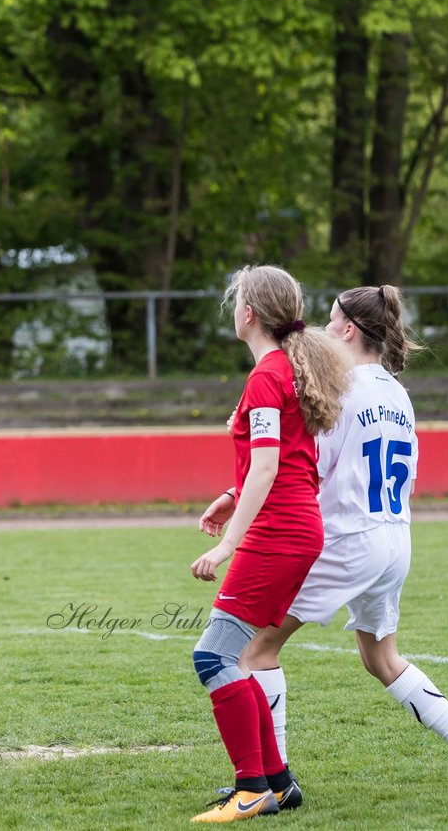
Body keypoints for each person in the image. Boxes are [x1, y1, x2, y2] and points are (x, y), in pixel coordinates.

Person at [234, 285, 448, 782]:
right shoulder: (398, 393)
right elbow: (409, 474)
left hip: (347, 539)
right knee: (383, 660)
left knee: (254, 650)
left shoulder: (339, 388)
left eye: (329, 322)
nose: (321, 331)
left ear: (348, 330)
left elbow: (305, 466)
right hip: (394, 538)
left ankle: (275, 781)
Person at [188, 264, 351, 823]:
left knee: (212, 655)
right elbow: (274, 465)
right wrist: (233, 496)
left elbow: (267, 468)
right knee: (233, 656)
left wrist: (228, 543)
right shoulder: (286, 369)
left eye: (235, 302)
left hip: (278, 534)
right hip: (296, 528)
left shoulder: (266, 375)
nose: (232, 310)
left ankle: (251, 787)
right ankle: (277, 783)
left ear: (249, 313)